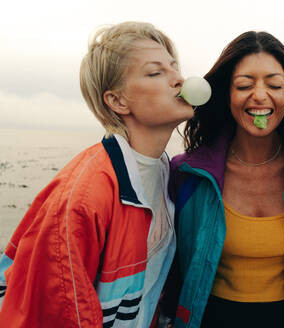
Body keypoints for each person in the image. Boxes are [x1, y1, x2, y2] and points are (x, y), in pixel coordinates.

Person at [0, 22, 194, 327]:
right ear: (117, 101)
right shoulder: (82, 197)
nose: (179, 80)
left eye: (174, 68)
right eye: (156, 72)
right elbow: (54, 314)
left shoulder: (169, 173)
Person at [160, 31, 284, 328]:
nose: (260, 95)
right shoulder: (186, 175)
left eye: (274, 84)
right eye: (244, 85)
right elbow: (167, 269)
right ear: (227, 94)